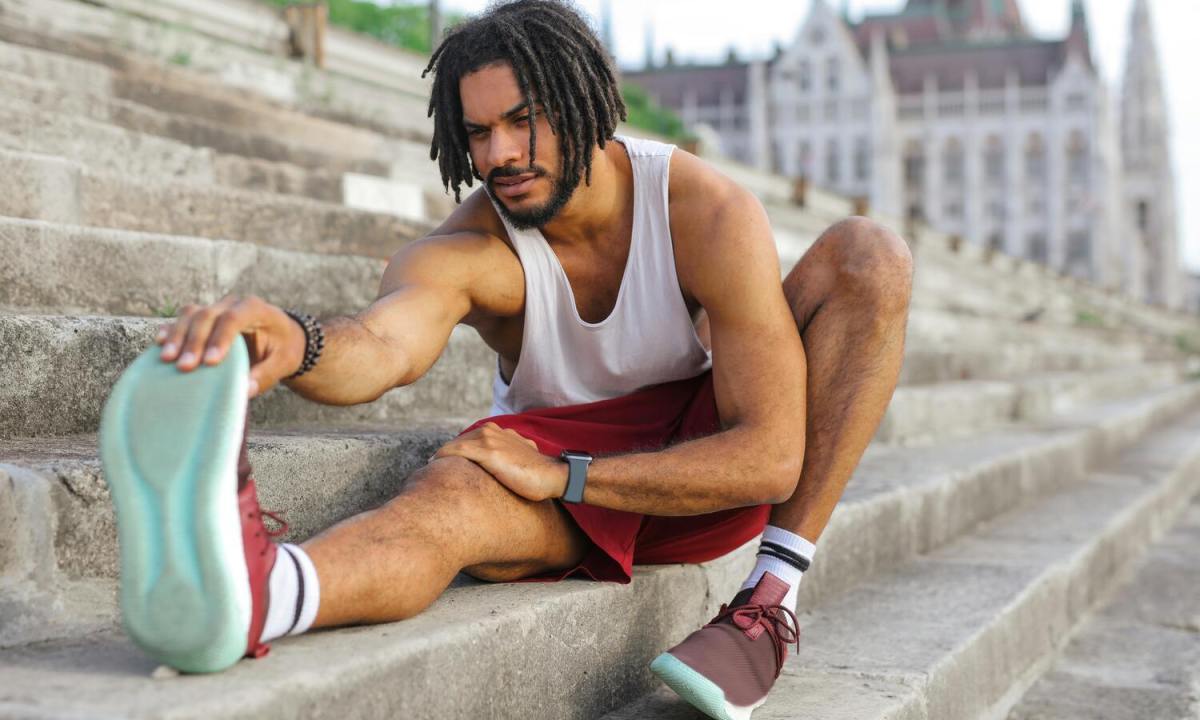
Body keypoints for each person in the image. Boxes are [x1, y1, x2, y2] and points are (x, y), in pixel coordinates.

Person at [99, 1, 913, 716]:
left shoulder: (702, 210)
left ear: (586, 104)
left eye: (525, 120)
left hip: (702, 468)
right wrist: (296, 339)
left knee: (869, 255)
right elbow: (385, 343)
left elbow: (770, 458)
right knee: (448, 496)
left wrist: (572, 475)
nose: (501, 154)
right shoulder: (473, 246)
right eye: (479, 132)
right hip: (554, 459)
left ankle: (772, 595)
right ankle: (260, 594)